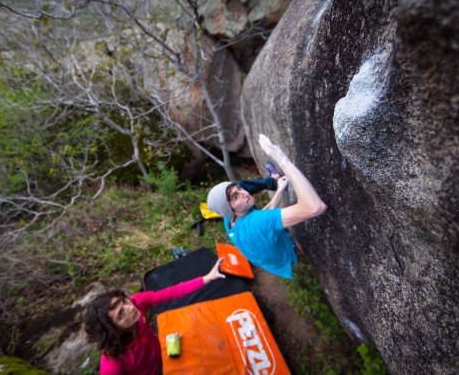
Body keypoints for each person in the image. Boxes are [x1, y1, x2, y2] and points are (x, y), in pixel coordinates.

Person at [207, 134, 327, 279]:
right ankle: (274, 179)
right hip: (282, 257)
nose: (244, 193)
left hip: (266, 260)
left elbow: (261, 217)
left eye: (239, 188)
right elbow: (314, 207)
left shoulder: (229, 221)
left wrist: (280, 190)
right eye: (235, 197)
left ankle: (273, 180)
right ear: (229, 209)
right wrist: (282, 159)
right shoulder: (257, 222)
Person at [85, 258, 225, 375]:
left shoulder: (137, 302)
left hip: (163, 356)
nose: (130, 307)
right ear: (112, 329)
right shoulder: (112, 365)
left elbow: (173, 292)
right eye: (121, 314)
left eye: (124, 301)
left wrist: (207, 278)